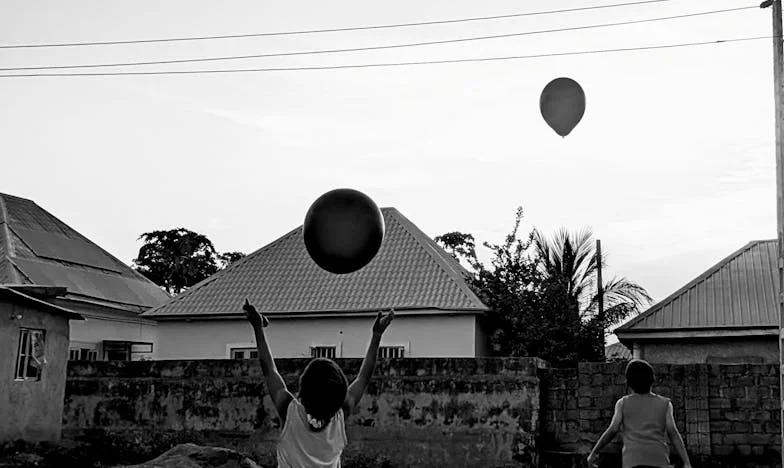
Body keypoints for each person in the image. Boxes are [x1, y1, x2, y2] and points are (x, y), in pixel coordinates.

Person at [243, 299, 394, 468]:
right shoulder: (341, 414)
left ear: (302, 394)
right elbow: (363, 378)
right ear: (340, 397)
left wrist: (257, 327)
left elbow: (269, 370)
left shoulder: (289, 410)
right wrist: (377, 335)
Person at [587, 359, 692, 468]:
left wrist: (594, 452)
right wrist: (687, 462)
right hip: (658, 459)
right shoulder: (665, 404)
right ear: (652, 379)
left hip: (632, 460)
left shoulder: (623, 404)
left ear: (629, 383)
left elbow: (612, 430)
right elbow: (673, 433)